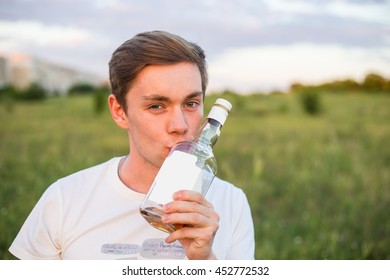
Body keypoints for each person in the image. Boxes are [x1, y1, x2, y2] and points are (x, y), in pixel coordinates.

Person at [9, 31, 254, 260]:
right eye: (157, 106)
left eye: (190, 103)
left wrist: (206, 263)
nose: (180, 125)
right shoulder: (64, 200)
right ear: (119, 112)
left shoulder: (231, 203)